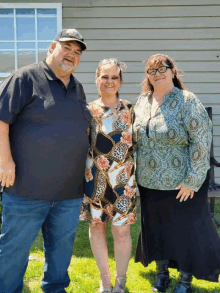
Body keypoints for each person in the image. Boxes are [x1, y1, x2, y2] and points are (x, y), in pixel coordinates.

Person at [0, 28, 91, 293]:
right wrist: (5, 161)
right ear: (52, 47)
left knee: (61, 250)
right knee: (14, 249)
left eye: (77, 52)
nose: (72, 56)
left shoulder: (77, 87)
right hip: (26, 189)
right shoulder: (24, 78)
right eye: (67, 48)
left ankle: (55, 289)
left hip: (68, 192)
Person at [134, 54, 220, 293]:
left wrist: (192, 181)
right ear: (147, 76)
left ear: (173, 71)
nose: (157, 74)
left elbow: (201, 142)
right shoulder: (142, 101)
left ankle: (185, 281)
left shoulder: (187, 100)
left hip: (182, 183)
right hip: (149, 183)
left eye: (163, 68)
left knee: (185, 233)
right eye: (152, 71)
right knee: (157, 230)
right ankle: (162, 275)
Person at [80, 58, 136, 293]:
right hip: (95, 180)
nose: (109, 81)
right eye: (105, 77)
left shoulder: (130, 109)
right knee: (97, 228)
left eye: (114, 77)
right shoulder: (87, 110)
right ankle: (105, 281)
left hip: (124, 181)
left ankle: (120, 281)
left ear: (120, 80)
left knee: (122, 230)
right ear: (97, 79)